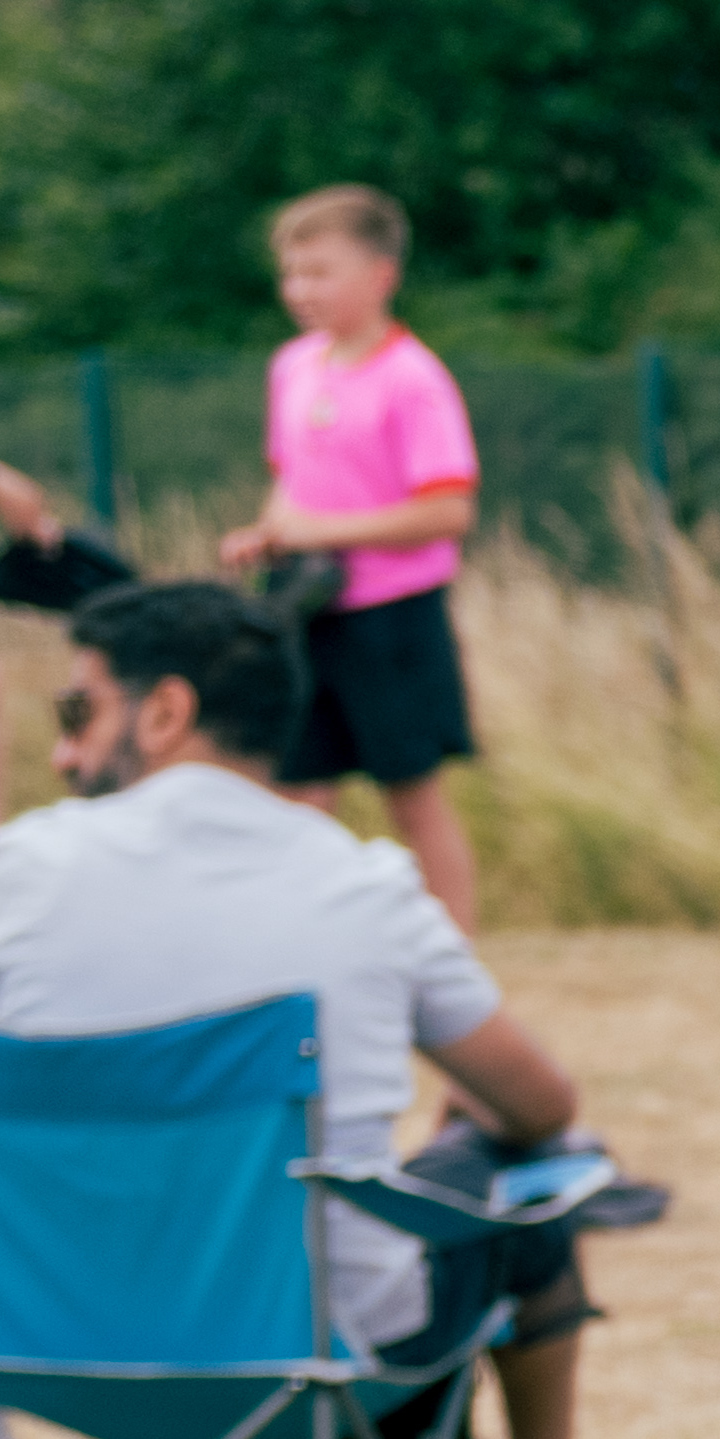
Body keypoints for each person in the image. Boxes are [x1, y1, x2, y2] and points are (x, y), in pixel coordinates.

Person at [0, 583, 635, 1439]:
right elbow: (542, 1103)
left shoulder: (21, 867)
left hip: (45, 1322)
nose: (63, 752)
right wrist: (474, 1122)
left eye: (77, 712)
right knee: (517, 1172)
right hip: (313, 1341)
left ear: (164, 712)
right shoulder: (365, 886)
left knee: (137, 1198)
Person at [229, 184, 485, 924]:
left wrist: (318, 531)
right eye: (291, 273)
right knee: (300, 794)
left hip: (393, 618)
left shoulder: (414, 380)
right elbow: (292, 483)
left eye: (319, 273)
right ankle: (305, 948)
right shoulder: (292, 367)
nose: (299, 291)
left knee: (414, 796)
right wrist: (269, 531)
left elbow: (447, 509)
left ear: (380, 275)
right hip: (307, 608)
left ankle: (453, 961)